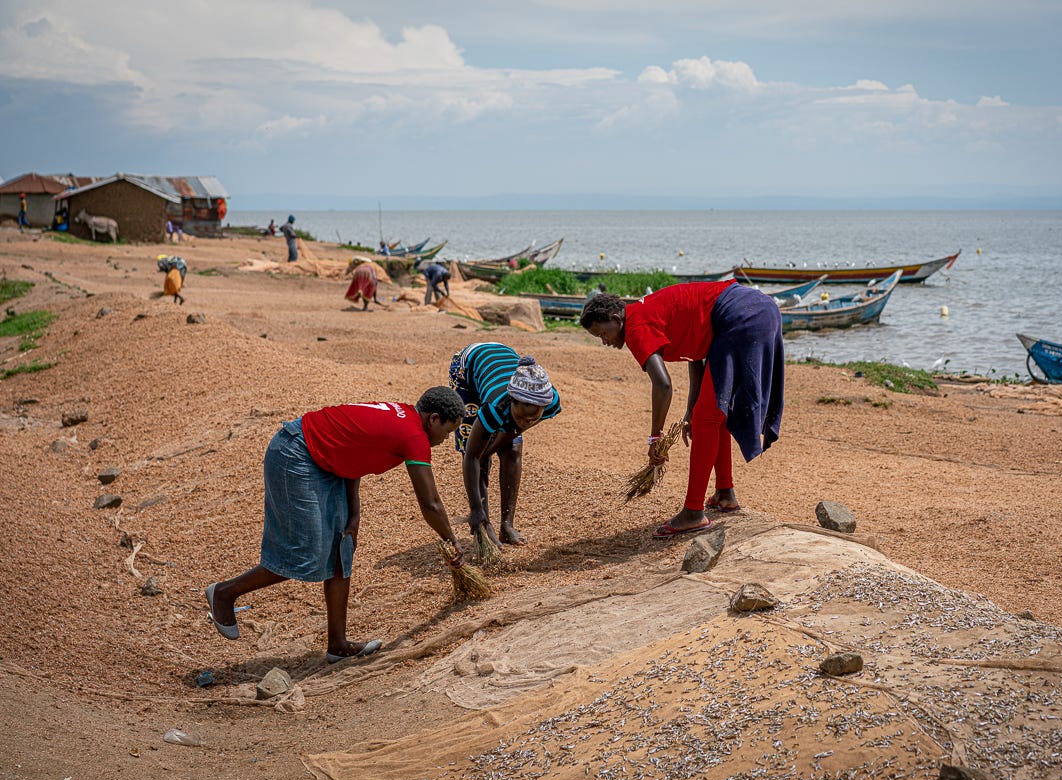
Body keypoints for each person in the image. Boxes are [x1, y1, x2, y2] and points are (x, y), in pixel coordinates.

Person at [204, 387, 468, 662]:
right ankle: (224, 593)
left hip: (323, 461)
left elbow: (354, 454)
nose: (445, 439)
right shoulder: (414, 436)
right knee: (303, 556)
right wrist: (452, 540)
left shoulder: (403, 415)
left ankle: (337, 645)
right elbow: (431, 503)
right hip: (297, 454)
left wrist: (354, 515)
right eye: (448, 432)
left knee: (342, 548)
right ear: (434, 419)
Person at [580, 280, 784, 538]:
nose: (605, 342)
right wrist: (690, 410)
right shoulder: (645, 313)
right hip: (757, 307)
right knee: (710, 416)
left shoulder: (635, 326)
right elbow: (695, 357)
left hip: (740, 314)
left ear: (615, 319)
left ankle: (693, 513)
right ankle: (724, 493)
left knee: (707, 419)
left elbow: (663, 385)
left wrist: (655, 437)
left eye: (602, 334)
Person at [449, 344, 561, 547]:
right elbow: (472, 457)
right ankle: (485, 524)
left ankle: (506, 526)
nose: (525, 422)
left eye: (532, 419)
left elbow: (514, 431)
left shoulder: (550, 401)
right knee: (479, 457)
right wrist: (476, 509)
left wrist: (496, 444)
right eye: (520, 416)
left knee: (513, 451)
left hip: (501, 361)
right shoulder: (494, 407)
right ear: (511, 402)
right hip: (467, 370)